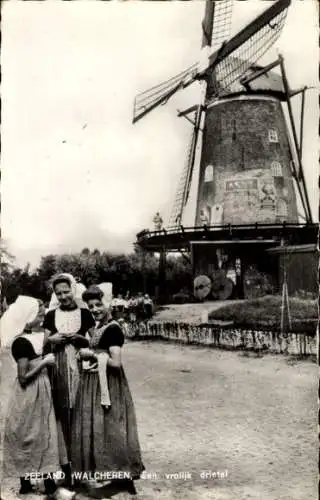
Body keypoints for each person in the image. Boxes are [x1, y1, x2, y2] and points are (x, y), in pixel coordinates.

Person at [71, 285, 145, 496]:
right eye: (91, 305)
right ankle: (118, 476)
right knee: (102, 428)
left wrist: (92, 355)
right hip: (95, 384)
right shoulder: (100, 327)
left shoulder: (113, 329)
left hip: (109, 385)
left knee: (112, 428)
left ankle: (124, 477)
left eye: (98, 304)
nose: (94, 309)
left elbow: (115, 362)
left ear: (109, 303)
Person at [1, 296, 74, 499]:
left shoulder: (32, 337)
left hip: (40, 390)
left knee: (42, 433)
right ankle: (39, 485)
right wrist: (44, 363)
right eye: (39, 312)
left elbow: (43, 343)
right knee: (33, 433)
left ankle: (38, 483)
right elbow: (23, 378)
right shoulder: (21, 343)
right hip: (29, 392)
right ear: (28, 316)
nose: (42, 314)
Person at [43, 273, 95, 482]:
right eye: (59, 293)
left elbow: (97, 341)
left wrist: (82, 339)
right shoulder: (50, 315)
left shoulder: (85, 314)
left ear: (73, 290)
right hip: (58, 369)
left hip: (81, 368)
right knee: (62, 416)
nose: (63, 296)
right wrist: (52, 339)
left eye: (66, 291)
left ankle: (83, 467)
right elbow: (44, 346)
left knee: (81, 414)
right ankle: (66, 469)